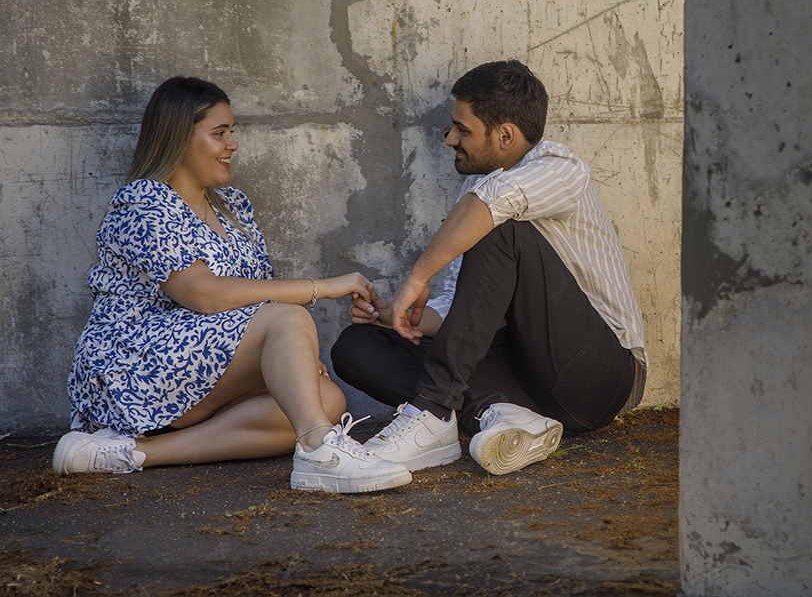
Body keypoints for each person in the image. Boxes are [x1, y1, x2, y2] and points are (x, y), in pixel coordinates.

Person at [53, 76, 411, 494]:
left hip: (198, 366)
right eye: (219, 133)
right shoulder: (143, 202)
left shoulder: (232, 208)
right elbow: (205, 295)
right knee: (289, 322)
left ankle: (127, 454)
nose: (233, 144)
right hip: (133, 367)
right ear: (178, 138)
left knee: (326, 402)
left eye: (232, 132)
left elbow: (253, 301)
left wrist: (288, 356)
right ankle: (319, 452)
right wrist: (324, 288)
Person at [332, 59, 647, 477]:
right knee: (358, 346)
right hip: (527, 379)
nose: (450, 139)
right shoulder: (475, 192)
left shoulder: (562, 169)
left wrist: (417, 277)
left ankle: (432, 412)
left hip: (601, 378)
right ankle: (502, 415)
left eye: (463, 129)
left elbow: (497, 203)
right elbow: (458, 308)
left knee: (498, 227)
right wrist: (402, 316)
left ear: (505, 135)